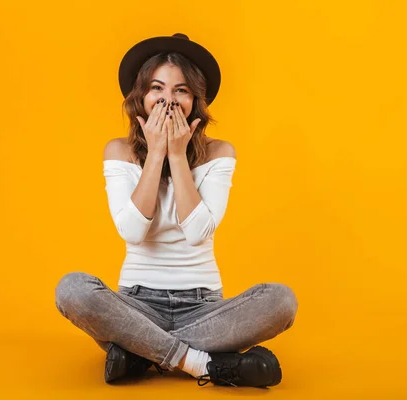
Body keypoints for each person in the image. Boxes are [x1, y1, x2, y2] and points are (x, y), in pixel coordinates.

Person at [55, 33, 298, 388]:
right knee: (72, 289)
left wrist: (176, 155)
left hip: (204, 307)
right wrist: (154, 154)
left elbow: (198, 232)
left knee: (281, 301)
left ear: (195, 101)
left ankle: (140, 353)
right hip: (137, 305)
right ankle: (202, 363)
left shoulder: (219, 153)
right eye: (157, 88)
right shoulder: (118, 151)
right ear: (141, 97)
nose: (168, 100)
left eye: (181, 90)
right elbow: (133, 231)